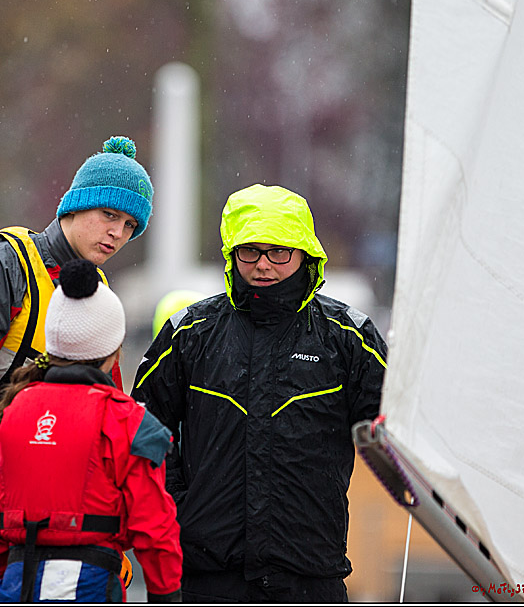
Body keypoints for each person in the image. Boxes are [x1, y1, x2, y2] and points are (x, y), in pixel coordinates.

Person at [131, 184, 387, 603]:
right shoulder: (191, 334)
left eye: (279, 252)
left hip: (310, 573)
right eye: (250, 251)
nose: (264, 265)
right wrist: (181, 507)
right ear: (232, 254)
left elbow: (393, 430)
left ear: (305, 253)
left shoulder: (348, 337)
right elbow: (142, 430)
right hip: (210, 576)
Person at [0, 135, 154, 600]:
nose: (117, 233)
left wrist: (113, 543)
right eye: (108, 215)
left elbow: (103, 420)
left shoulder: (99, 294)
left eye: (130, 224)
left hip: (25, 515)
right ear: (72, 207)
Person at [0, 258, 182, 602]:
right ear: (114, 351)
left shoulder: (10, 411)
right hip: (88, 583)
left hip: (15, 582)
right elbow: (155, 527)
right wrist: (167, 595)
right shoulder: (126, 420)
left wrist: (0, 578)